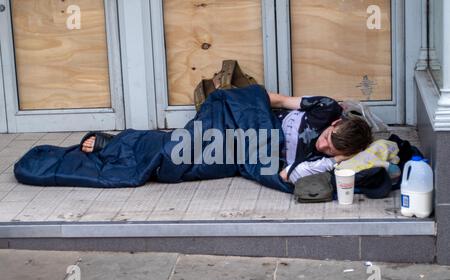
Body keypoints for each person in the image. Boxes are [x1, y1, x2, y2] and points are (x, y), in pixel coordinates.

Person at [81, 92, 373, 185]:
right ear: (334, 122)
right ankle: (122, 144)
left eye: (329, 150)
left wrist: (335, 159)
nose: (322, 145)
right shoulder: (326, 108)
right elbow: (278, 100)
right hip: (250, 120)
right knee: (195, 139)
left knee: (188, 159)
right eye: (326, 138)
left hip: (253, 149)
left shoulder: (322, 160)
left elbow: (286, 174)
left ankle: (121, 146)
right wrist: (245, 103)